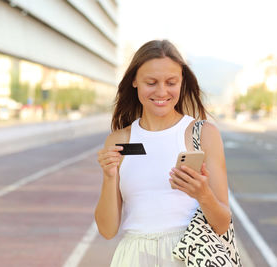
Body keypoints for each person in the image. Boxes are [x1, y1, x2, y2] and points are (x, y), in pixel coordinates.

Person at [95, 40, 231, 267]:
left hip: (188, 255)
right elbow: (107, 230)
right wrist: (110, 177)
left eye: (171, 82)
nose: (161, 92)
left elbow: (222, 224)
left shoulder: (203, 134)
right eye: (151, 82)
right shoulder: (119, 140)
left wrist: (203, 193)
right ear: (134, 81)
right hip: (133, 257)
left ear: (182, 83)